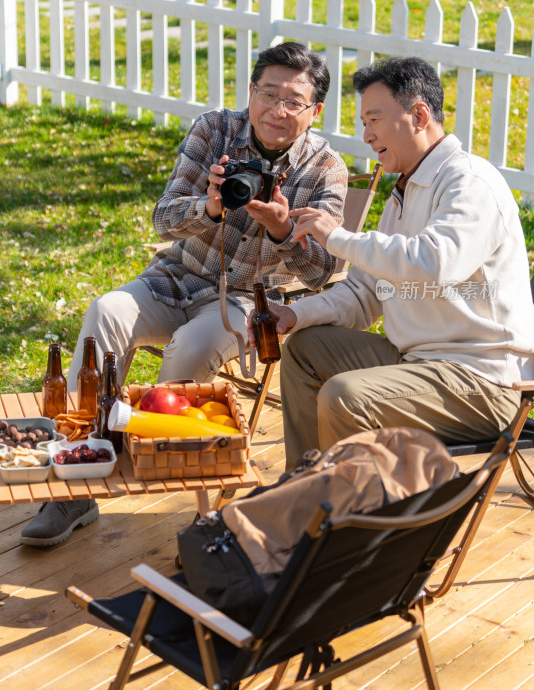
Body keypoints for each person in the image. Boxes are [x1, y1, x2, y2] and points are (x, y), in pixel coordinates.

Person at [20, 41, 348, 546]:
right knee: (106, 311)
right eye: (268, 93)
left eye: (294, 101)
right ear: (251, 92)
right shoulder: (214, 129)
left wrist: (284, 232)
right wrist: (210, 207)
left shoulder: (325, 169)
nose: (277, 111)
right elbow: (163, 218)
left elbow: (325, 272)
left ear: (315, 111)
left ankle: (154, 460)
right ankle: (74, 490)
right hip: (174, 276)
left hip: (244, 298)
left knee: (191, 349)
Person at [248, 56, 534, 471]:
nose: (366, 135)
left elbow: (434, 265)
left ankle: (346, 521)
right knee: (306, 350)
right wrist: (293, 314)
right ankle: (305, 492)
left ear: (419, 115)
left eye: (374, 120)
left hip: (485, 382)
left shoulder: (469, 182)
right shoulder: (405, 193)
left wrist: (338, 237)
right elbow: (365, 293)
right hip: (418, 365)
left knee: (345, 395)